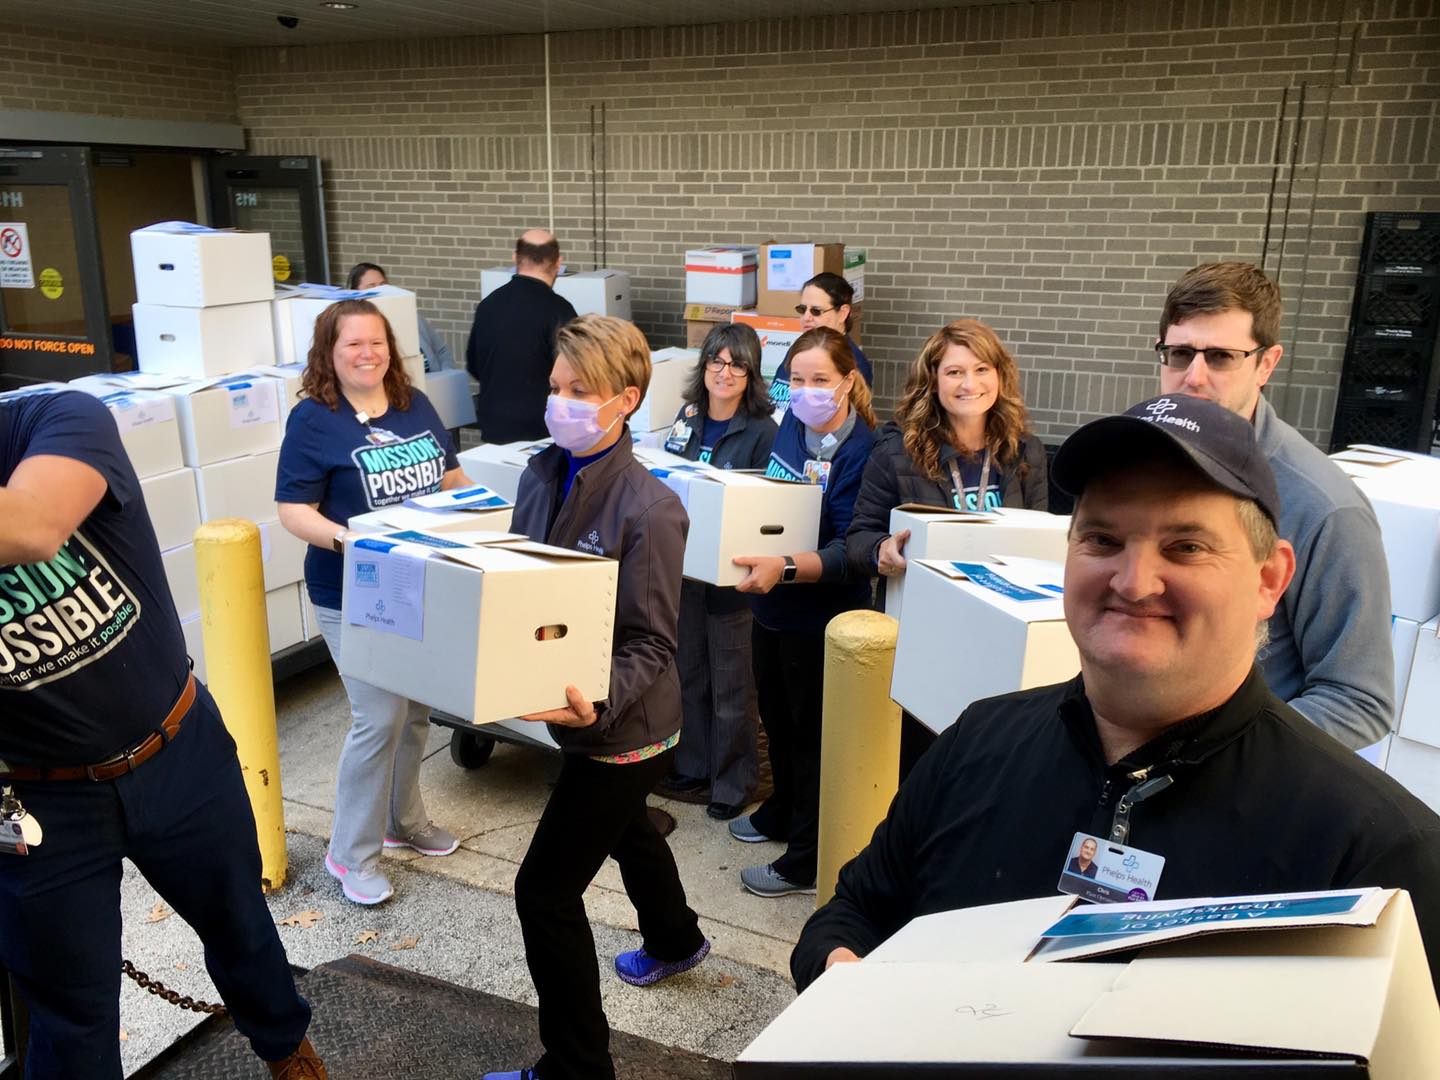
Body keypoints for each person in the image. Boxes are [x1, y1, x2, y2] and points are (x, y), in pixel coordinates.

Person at [790, 394, 1440, 993]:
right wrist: (844, 978)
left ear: (1271, 580)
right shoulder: (977, 742)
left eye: (1185, 546)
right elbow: (852, 913)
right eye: (1103, 539)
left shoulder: (1376, 854)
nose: (1133, 581)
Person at [0, 386, 326, 1078]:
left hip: (177, 752)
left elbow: (32, 526)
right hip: (38, 802)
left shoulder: (57, 421)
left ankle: (288, 1054)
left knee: (242, 931)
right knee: (71, 1015)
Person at [485, 314, 709, 1080]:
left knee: (544, 891)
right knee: (627, 831)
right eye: (556, 388)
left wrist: (597, 701)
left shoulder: (651, 509)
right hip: (573, 714)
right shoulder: (540, 473)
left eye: (581, 392)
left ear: (626, 400)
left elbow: (652, 643)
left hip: (626, 728)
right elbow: (520, 581)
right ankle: (676, 939)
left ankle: (577, 1066)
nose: (561, 404)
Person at [276, 299, 468, 906]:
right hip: (351, 591)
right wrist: (353, 543)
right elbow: (293, 511)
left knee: (414, 714)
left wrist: (475, 509)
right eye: (353, 345)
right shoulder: (315, 420)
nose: (367, 354)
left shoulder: (415, 405)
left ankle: (402, 822)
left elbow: (450, 477)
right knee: (378, 716)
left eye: (377, 342)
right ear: (329, 355)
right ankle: (350, 853)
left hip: (418, 582)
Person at [1156, 262, 1393, 750]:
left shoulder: (1325, 509)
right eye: (1179, 353)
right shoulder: (1139, 462)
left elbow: (1358, 698)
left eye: (1221, 356)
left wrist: (1217, 755)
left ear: (1267, 364)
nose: (1193, 378)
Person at [845, 318, 1050, 778]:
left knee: (991, 765)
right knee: (923, 766)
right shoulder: (895, 453)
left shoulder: (1026, 453)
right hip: (926, 635)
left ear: (1001, 376)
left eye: (981, 369)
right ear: (933, 380)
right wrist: (881, 551)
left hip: (1002, 633)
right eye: (954, 372)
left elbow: (1044, 544)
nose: (969, 383)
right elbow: (857, 537)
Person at [728, 327, 878, 897]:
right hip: (773, 608)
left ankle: (808, 858)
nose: (807, 391)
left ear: (847, 383)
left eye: (820, 380)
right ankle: (781, 810)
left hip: (823, 616)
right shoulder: (791, 426)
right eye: (797, 379)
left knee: (815, 737)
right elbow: (774, 498)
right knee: (780, 722)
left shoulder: (866, 449)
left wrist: (786, 565)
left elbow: (851, 549)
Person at [653, 323, 779, 820]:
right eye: (716, 362)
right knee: (689, 674)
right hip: (684, 570)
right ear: (703, 367)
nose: (725, 373)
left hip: (732, 578)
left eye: (737, 365)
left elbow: (770, 506)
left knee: (732, 685)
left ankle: (733, 782)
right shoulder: (686, 419)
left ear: (751, 374)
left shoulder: (763, 432)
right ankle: (694, 765)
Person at [466, 229, 579, 444]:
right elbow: (573, 371)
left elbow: (474, 365)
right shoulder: (559, 310)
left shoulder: (488, 304)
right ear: (558, 263)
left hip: (495, 425)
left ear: (515, 258)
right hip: (544, 430)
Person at [768, 272, 873, 415]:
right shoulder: (798, 348)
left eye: (816, 311)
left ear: (843, 313)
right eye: (802, 309)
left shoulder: (854, 362)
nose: (806, 317)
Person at [347, 261, 455, 373]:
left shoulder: (411, 316)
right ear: (356, 292)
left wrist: (446, 375)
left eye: (383, 285)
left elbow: (441, 350)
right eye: (371, 286)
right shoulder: (357, 328)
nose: (379, 290)